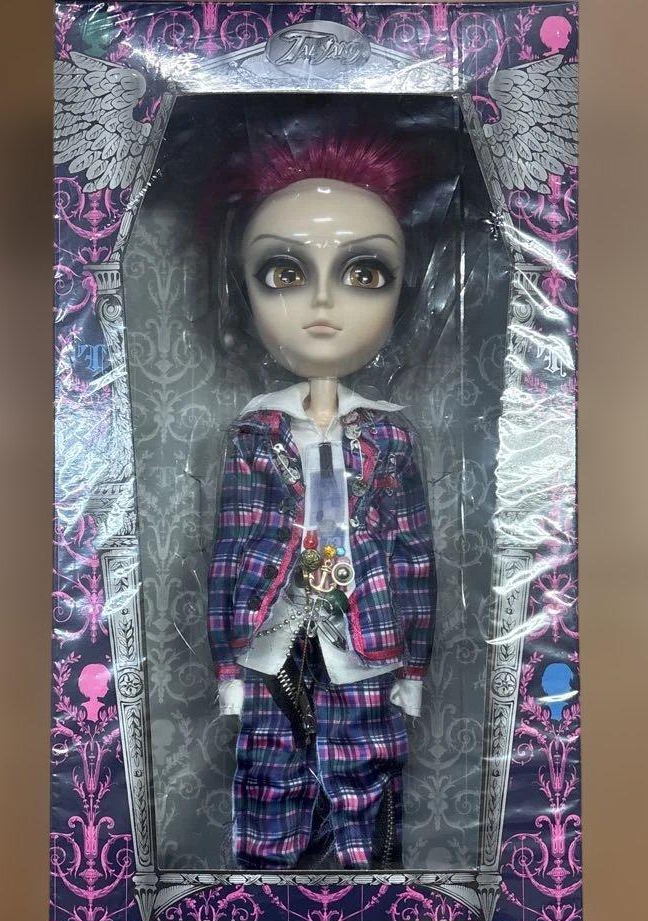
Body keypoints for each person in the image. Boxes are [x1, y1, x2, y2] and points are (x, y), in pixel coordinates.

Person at [206, 133, 436, 871]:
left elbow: (413, 557)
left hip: (364, 639)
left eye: (365, 272)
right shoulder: (255, 431)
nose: (324, 304)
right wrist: (228, 668)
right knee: (270, 781)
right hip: (274, 640)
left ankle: (372, 897)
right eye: (285, 272)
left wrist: (413, 670)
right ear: (244, 292)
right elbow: (230, 554)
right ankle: (265, 901)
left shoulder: (390, 437)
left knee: (368, 778)